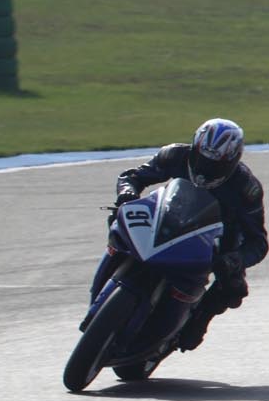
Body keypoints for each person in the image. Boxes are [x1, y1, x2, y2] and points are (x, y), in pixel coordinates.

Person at [90, 118, 266, 351]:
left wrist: (236, 259)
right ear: (194, 148)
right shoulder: (173, 155)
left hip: (218, 239)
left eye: (214, 165)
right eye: (202, 160)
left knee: (234, 288)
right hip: (171, 215)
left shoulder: (246, 188)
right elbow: (132, 177)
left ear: (232, 162)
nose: (205, 170)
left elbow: (258, 241)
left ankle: (197, 321)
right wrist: (127, 194)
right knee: (118, 220)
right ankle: (105, 285)